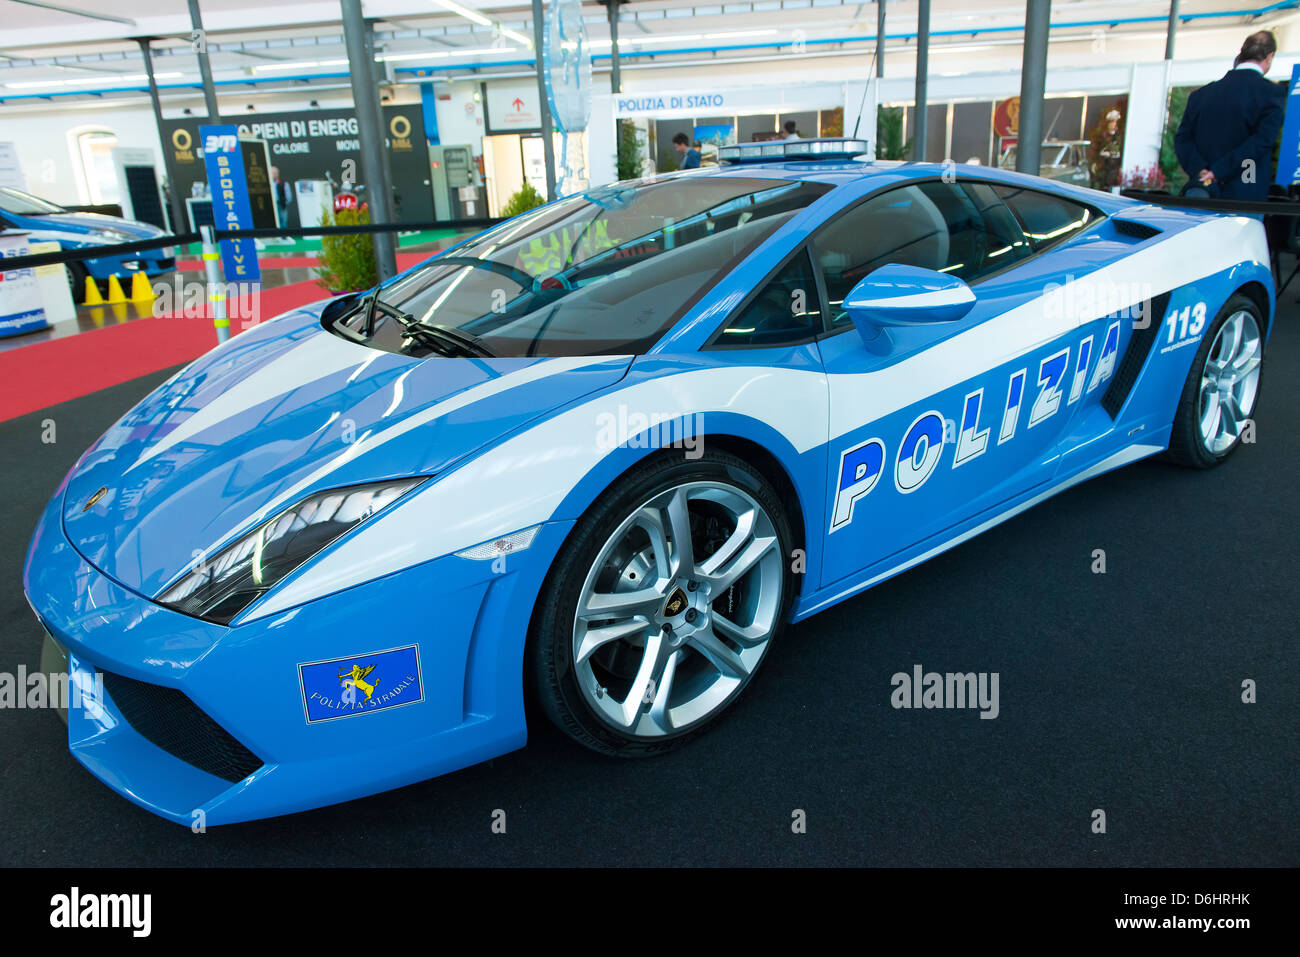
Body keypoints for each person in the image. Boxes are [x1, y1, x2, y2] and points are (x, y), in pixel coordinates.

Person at [1174, 30, 1286, 200]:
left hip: (1202, 190)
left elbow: (1182, 139)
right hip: (1246, 189)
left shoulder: (1200, 95)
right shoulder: (1272, 93)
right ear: (1269, 57)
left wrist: (1202, 171)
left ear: (1241, 54)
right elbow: (1262, 141)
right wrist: (1218, 171)